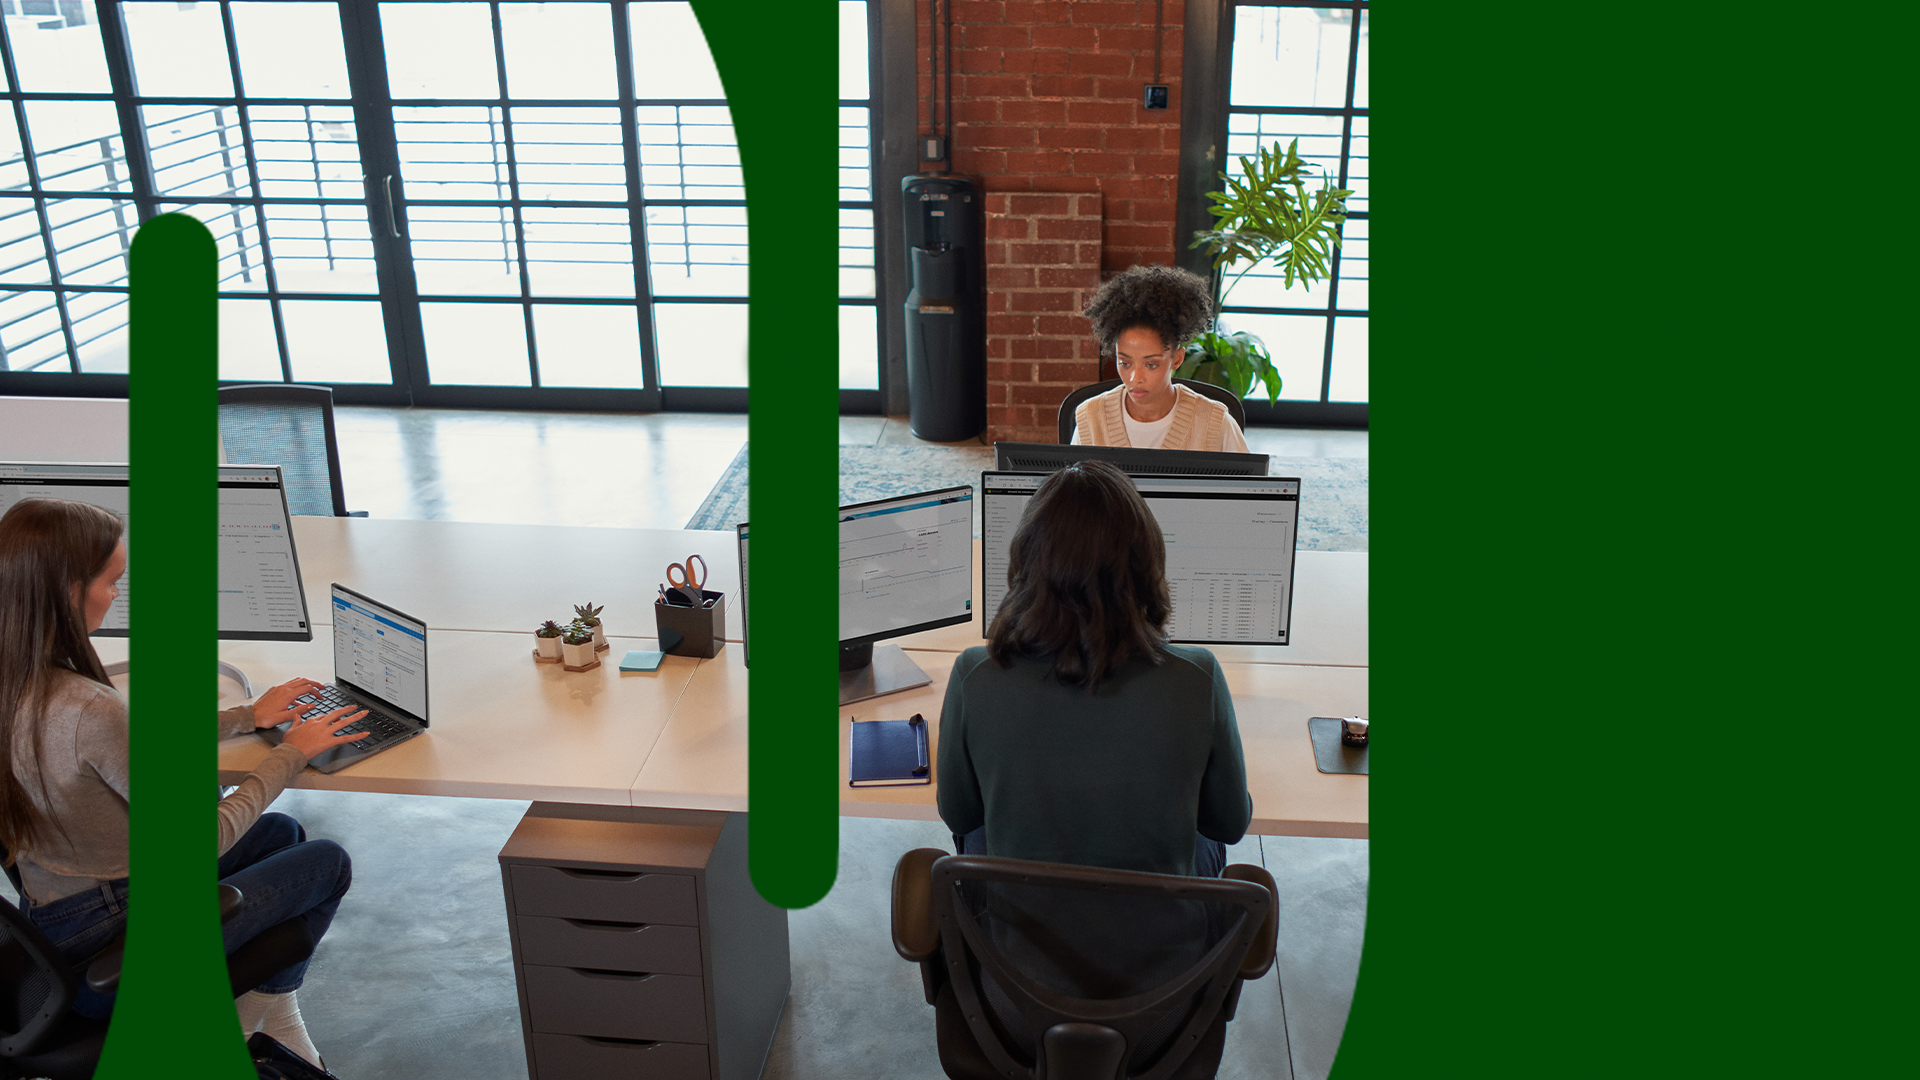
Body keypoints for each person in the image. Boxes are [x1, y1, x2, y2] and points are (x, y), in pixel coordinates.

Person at [0, 496, 366, 1066]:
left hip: (54, 917)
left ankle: (274, 1017)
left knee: (280, 836)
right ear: (69, 589)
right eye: (112, 581)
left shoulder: (17, 672)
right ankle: (250, 1032)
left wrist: (248, 718)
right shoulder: (83, 707)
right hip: (113, 947)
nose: (117, 595)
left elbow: (133, 749)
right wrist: (291, 753)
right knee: (326, 862)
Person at [936, 460, 1251, 878]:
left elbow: (960, 816)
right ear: (1146, 566)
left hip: (1014, 938)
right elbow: (1228, 825)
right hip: (1165, 941)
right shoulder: (1197, 677)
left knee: (979, 836)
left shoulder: (974, 675)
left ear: (1028, 561)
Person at [1072, 264, 1250, 453]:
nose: (1135, 378)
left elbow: (1249, 482)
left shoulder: (1214, 422)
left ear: (1177, 359)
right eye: (1125, 363)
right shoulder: (1091, 417)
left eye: (1151, 365)